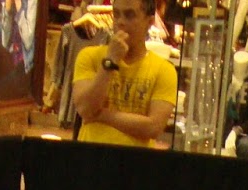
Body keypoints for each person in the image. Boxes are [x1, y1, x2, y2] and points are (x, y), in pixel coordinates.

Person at [72, 0, 176, 147]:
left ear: (149, 22)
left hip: (135, 159)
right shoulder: (89, 56)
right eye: (116, 14)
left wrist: (102, 115)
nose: (120, 22)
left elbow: (153, 127)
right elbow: (85, 108)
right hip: (92, 156)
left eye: (129, 15)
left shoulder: (164, 70)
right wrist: (110, 62)